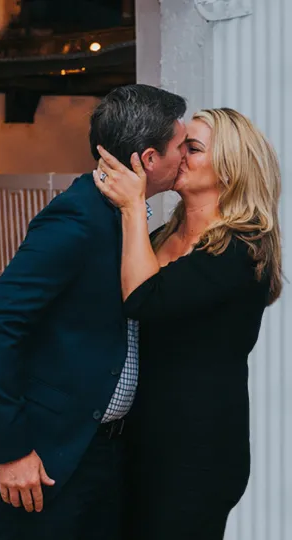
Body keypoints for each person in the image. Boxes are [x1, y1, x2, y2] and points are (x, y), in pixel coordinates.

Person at [0, 84, 187, 540]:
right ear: (149, 159)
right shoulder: (77, 218)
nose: (185, 157)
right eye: (180, 147)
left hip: (100, 448)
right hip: (47, 456)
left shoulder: (129, 216)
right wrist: (11, 452)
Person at [93, 107, 282, 539]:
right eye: (180, 147)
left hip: (197, 449)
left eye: (192, 148)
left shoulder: (241, 248)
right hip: (142, 435)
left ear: (231, 169)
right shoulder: (161, 237)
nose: (178, 156)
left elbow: (143, 299)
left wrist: (130, 206)